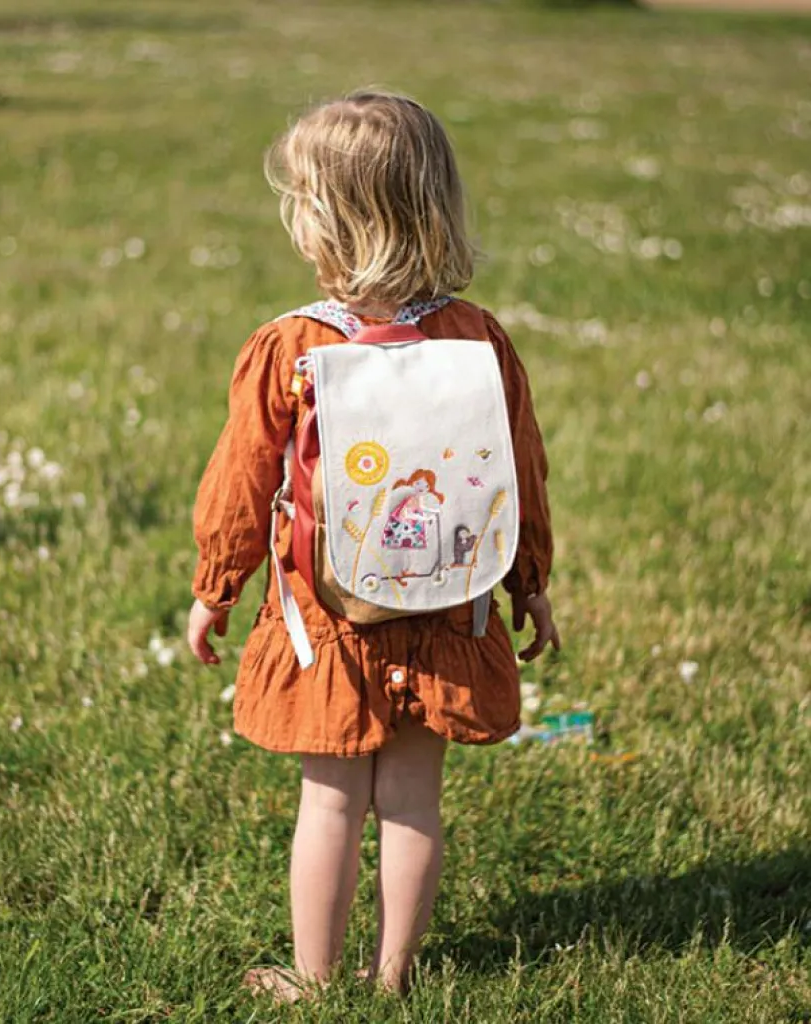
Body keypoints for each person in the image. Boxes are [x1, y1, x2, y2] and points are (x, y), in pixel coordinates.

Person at [186, 91, 560, 1003]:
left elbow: (240, 483)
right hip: (448, 602)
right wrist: (532, 582)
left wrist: (216, 586)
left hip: (330, 614)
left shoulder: (292, 345)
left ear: (324, 224)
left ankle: (316, 983)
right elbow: (520, 471)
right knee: (413, 802)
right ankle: (393, 975)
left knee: (331, 800)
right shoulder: (478, 338)